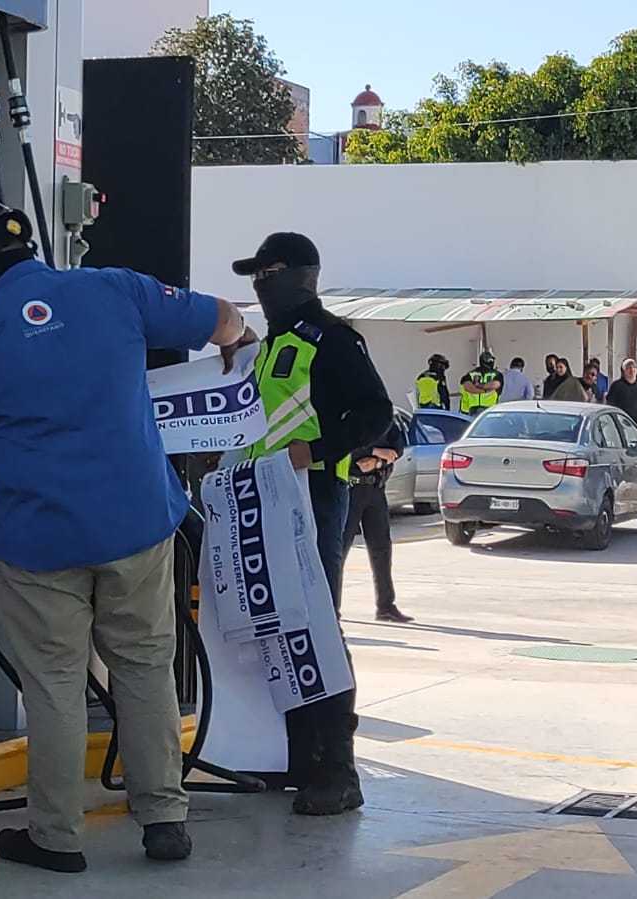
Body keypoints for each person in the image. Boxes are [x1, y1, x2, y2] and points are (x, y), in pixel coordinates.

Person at [0, 197, 257, 872]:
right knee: (144, 668)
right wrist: (236, 340)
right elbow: (224, 317)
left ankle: (56, 837)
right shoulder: (114, 289)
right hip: (137, 523)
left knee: (56, 685)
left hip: (40, 541)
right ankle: (164, 819)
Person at [233, 232, 391, 816]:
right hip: (264, 499)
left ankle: (339, 769)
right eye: (254, 275)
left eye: (268, 272)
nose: (259, 284)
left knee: (318, 625)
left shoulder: (332, 339)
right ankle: (297, 757)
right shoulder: (272, 344)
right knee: (277, 626)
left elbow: (376, 412)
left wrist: (317, 451)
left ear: (300, 274)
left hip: (316, 498)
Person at [341, 417, 414, 623]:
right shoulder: (347, 416)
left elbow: (396, 448)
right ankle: (331, 607)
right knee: (339, 549)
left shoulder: (383, 418)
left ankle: (386, 607)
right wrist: (374, 451)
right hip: (351, 488)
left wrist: (377, 460)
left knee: (381, 548)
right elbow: (343, 447)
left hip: (376, 488)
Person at [605, 358, 637, 424]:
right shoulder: (616, 386)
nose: (632, 370)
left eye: (634, 367)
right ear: (623, 371)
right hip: (621, 423)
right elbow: (611, 403)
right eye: (628, 368)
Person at [458, 351, 503, 416]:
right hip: (472, 409)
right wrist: (484, 390)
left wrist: (478, 385)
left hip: (488, 409)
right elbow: (467, 386)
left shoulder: (496, 374)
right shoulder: (471, 374)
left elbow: (495, 384)